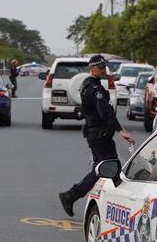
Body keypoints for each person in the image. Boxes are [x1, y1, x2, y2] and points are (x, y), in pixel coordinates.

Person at [58, 55, 136, 217]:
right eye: (100, 67)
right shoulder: (95, 89)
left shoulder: (88, 85)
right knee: (111, 166)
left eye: (104, 67)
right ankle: (127, 208)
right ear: (91, 68)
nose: (103, 70)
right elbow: (105, 112)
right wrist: (121, 130)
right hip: (100, 134)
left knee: (100, 168)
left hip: (94, 133)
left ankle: (71, 195)